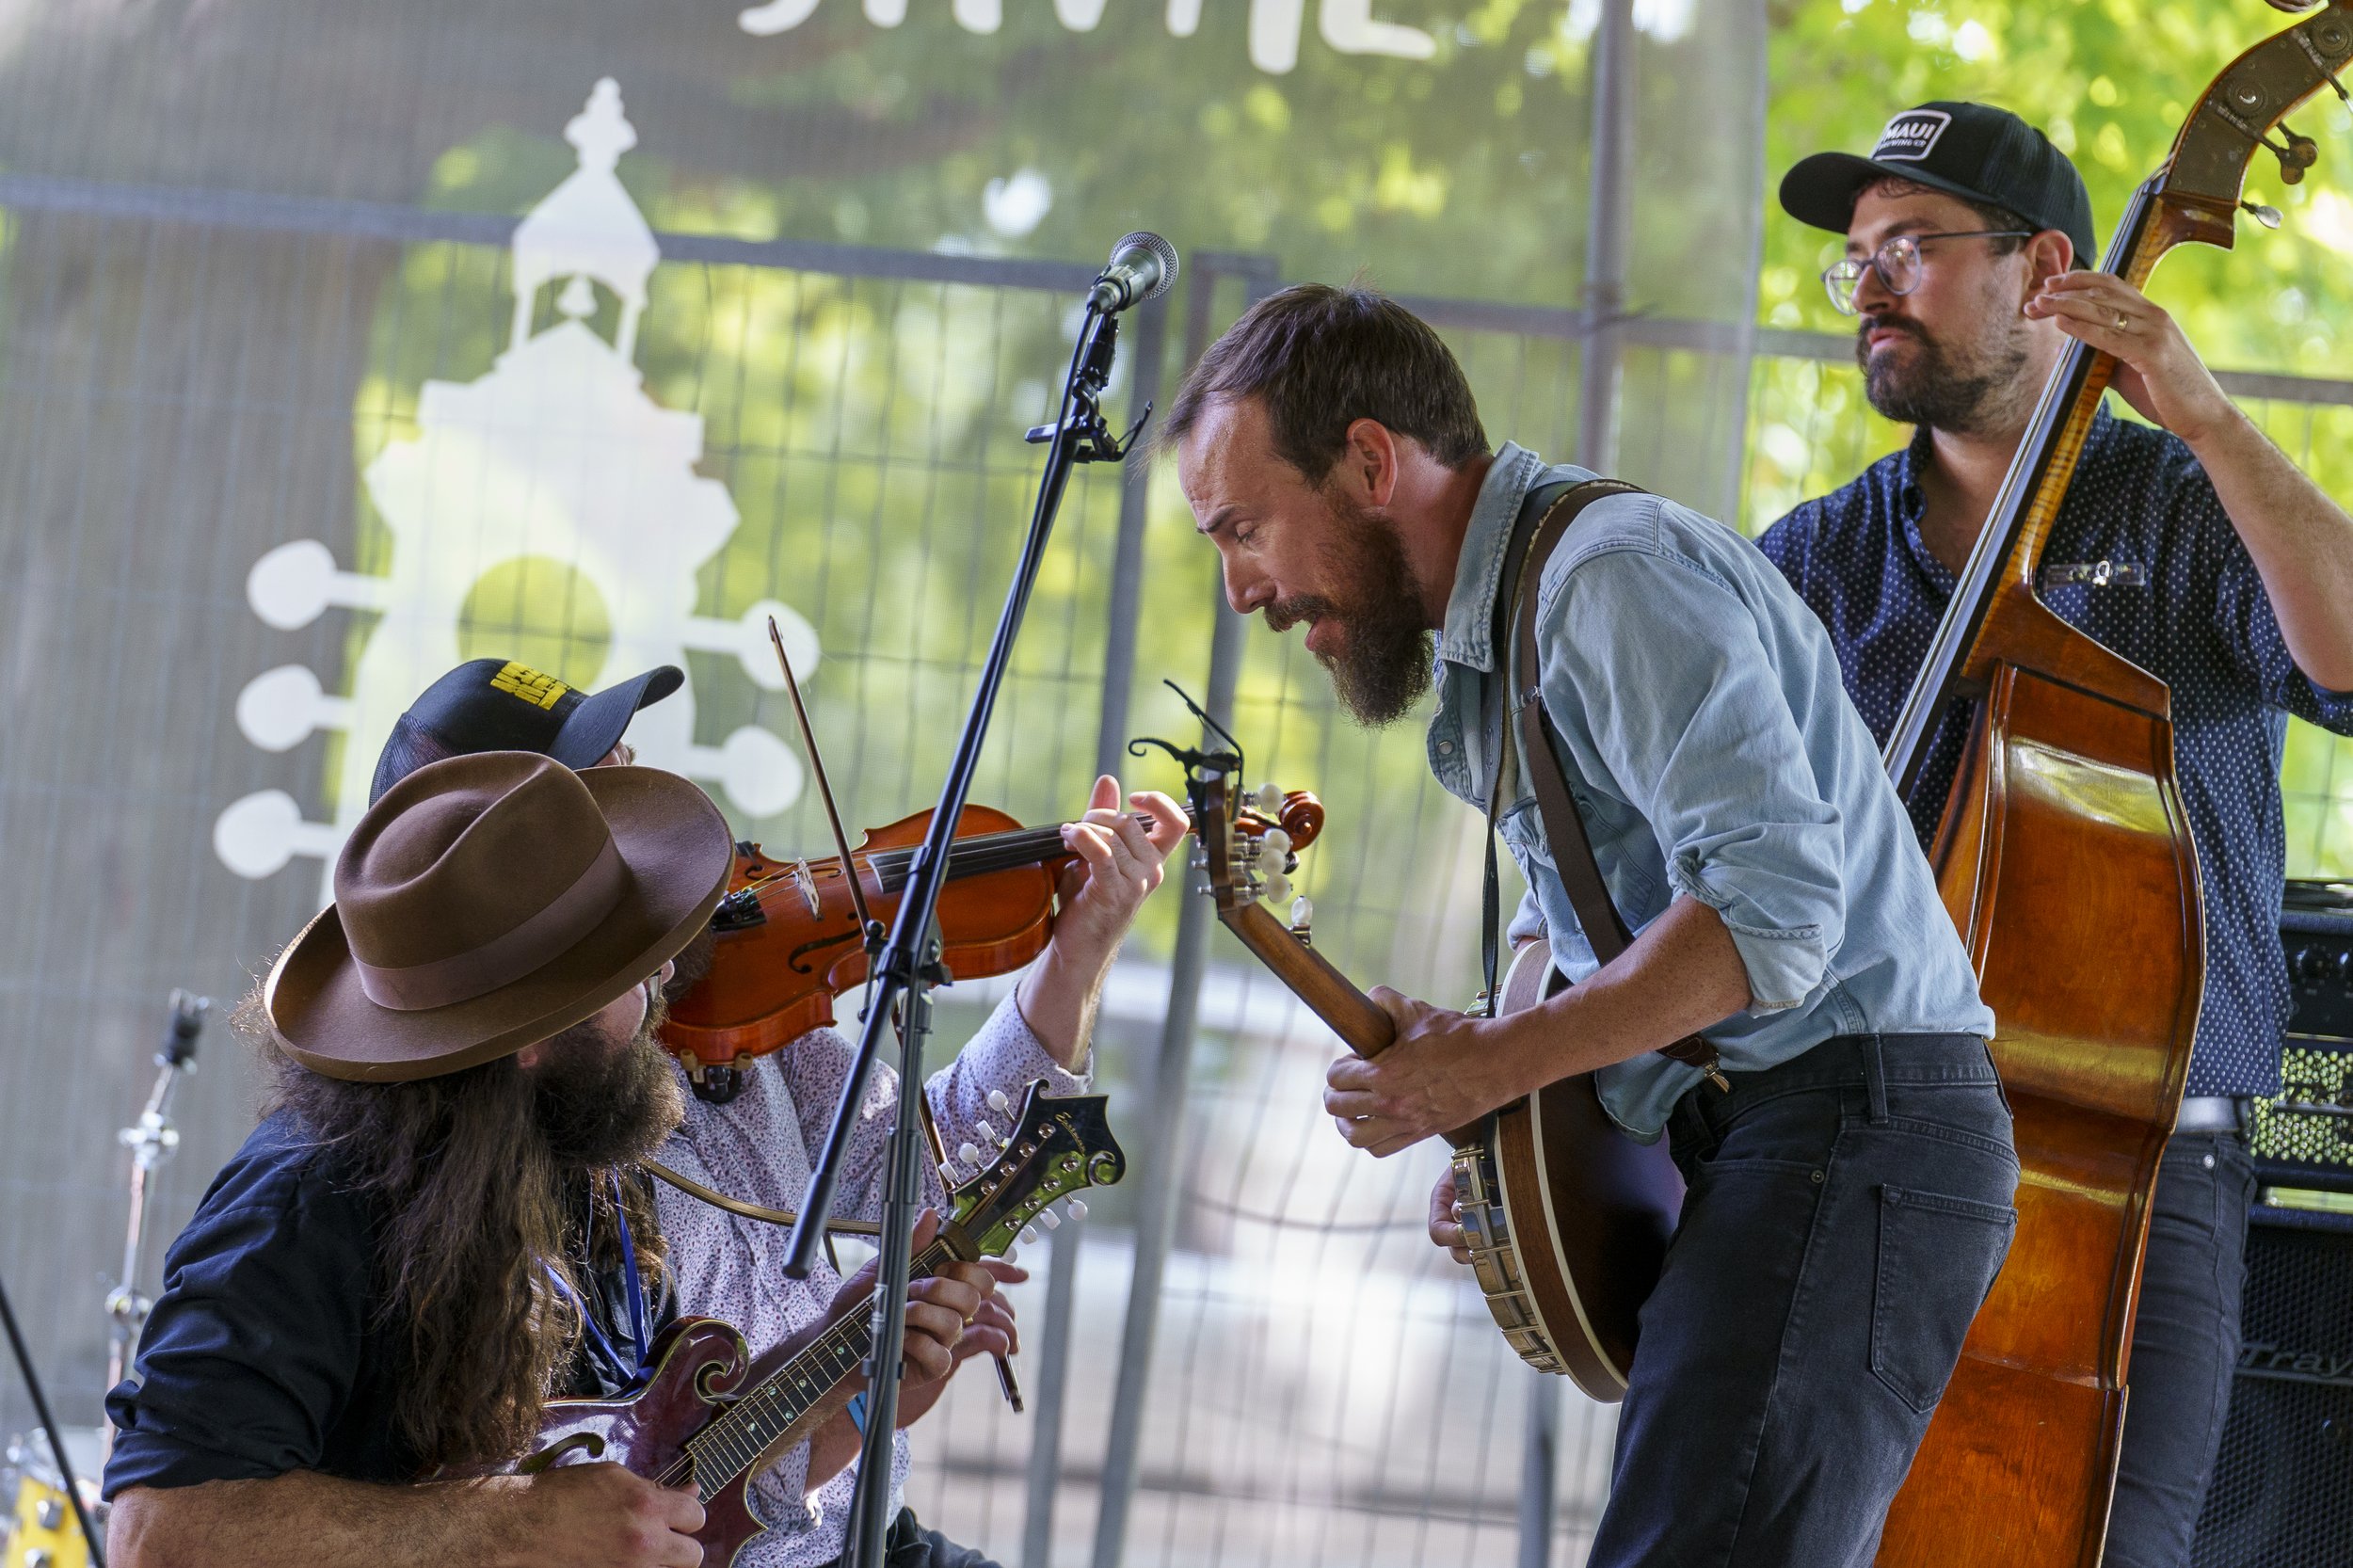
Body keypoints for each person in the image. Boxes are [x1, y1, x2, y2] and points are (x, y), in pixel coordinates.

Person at [1166, 282, 2016, 1567]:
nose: (1242, 591)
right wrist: (1507, 1119)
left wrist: (1503, 1062)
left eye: (1242, 528)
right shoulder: (1508, 619)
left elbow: (1774, 915)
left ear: (1370, 460)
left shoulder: (1605, 580)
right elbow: (1598, 938)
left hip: (1858, 1128)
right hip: (1795, 1136)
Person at [1762, 102, 2353, 1568]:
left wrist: (2206, 417)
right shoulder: (1812, 560)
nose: (1872, 287)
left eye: (1911, 248)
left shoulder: (2179, 512)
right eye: (1857, 261)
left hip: (2139, 1184)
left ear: (2045, 270)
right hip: (1868, 1162)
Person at [362, 657, 1189, 1567]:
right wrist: (849, 1379)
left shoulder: (749, 1019)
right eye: (599, 802)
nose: (642, 815)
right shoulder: (493, 1147)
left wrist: (1078, 949)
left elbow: (924, 1167)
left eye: (628, 773)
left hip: (862, 1530)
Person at [103, 749, 1004, 1568]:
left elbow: (642, 1466)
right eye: (628, 972)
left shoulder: (568, 1136)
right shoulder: (305, 1199)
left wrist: (832, 1359)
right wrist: (505, 1525)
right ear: (530, 1036)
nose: (661, 992)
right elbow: (159, 1531)